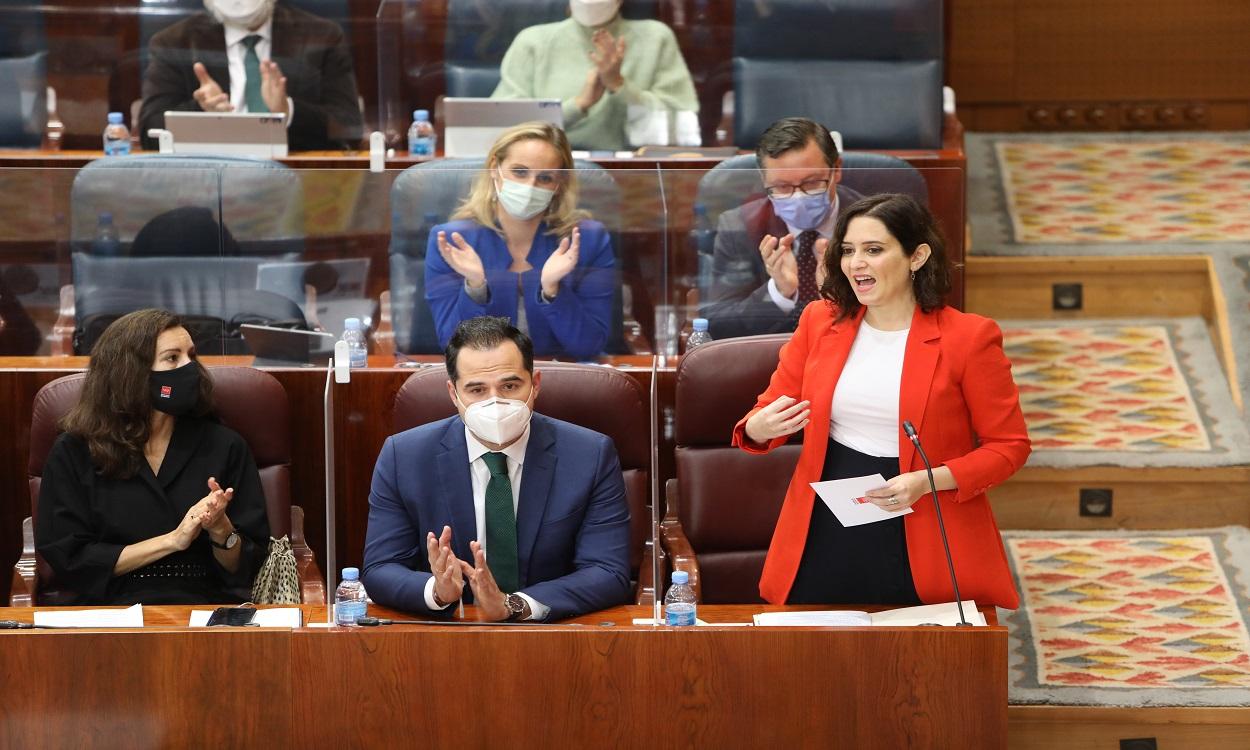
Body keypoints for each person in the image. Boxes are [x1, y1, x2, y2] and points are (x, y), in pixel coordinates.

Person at [733, 194, 1029, 609]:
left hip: (923, 517)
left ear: (917, 256)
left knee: (919, 665)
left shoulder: (969, 338)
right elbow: (761, 415)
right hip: (827, 518)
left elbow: (1009, 447)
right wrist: (759, 427)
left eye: (874, 250)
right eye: (849, 250)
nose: (856, 264)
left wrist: (926, 481)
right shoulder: (821, 321)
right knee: (811, 660)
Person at [363, 316, 631, 621]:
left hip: (554, 634)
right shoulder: (404, 457)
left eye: (510, 386)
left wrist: (513, 605)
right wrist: (437, 591)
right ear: (454, 394)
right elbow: (380, 567)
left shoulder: (590, 455)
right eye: (477, 390)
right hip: (449, 635)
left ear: (535, 384)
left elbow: (608, 571)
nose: (495, 402)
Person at [36, 308, 269, 604]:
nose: (190, 368)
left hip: (201, 608)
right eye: (173, 358)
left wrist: (221, 530)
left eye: (192, 355)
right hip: (108, 610)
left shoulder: (224, 445)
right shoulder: (75, 451)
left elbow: (245, 569)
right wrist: (173, 541)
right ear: (131, 373)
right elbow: (71, 559)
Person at [424, 121, 615, 360]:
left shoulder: (588, 240)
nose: (529, 186)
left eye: (545, 178)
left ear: (559, 184)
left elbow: (588, 348)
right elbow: (452, 345)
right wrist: (475, 287)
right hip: (486, 383)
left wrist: (552, 291)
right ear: (494, 168)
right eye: (520, 172)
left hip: (563, 381)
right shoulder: (453, 240)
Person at [702, 117, 864, 340]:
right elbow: (720, 325)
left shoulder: (874, 222)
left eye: (811, 183)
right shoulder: (739, 225)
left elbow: (903, 311)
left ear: (836, 169)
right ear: (763, 179)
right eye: (782, 187)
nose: (798, 196)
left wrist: (839, 295)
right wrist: (778, 292)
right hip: (770, 361)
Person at [138, 0, 364, 151]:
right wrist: (202, 110)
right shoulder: (173, 42)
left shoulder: (323, 36)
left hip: (295, 178)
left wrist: (288, 111)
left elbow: (348, 126)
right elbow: (150, 132)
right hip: (207, 179)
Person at [492, 0, 698, 151]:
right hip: (546, 168)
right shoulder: (533, 41)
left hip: (631, 170)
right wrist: (578, 105)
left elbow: (682, 128)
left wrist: (620, 86)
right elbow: (501, 131)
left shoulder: (655, 38)